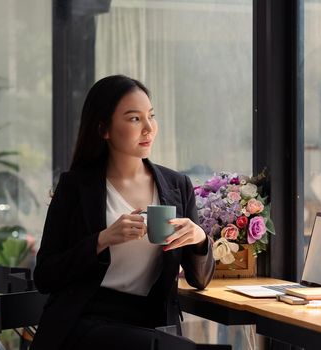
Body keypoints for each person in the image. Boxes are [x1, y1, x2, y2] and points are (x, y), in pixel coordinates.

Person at [31, 75, 214, 349]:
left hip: (149, 322)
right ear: (104, 128)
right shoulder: (76, 187)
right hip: (84, 321)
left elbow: (199, 280)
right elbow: (45, 275)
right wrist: (102, 239)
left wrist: (200, 238)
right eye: (134, 119)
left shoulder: (177, 186)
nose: (148, 128)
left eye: (150, 116)